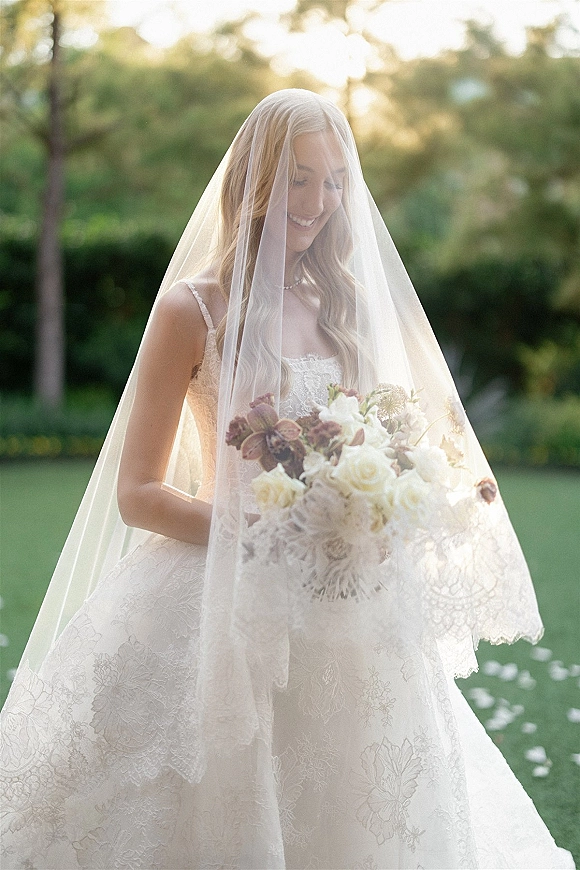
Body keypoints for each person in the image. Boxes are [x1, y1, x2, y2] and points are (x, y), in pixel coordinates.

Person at [0, 89, 574, 870]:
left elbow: (399, 441)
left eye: (334, 180)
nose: (318, 201)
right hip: (216, 599)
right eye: (298, 178)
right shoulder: (191, 311)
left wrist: (403, 504)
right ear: (254, 181)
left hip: (349, 611)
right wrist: (265, 538)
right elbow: (137, 493)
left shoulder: (349, 307)